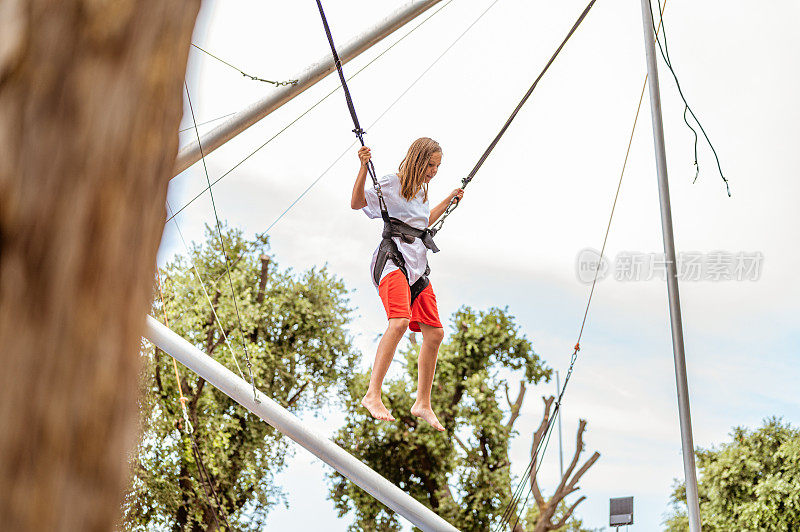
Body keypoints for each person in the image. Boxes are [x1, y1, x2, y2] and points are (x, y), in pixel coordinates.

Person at [350, 137, 464, 431]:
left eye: (437, 167)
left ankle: (422, 403)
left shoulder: (422, 194)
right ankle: (372, 394)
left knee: (435, 333)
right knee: (399, 322)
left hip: (416, 266)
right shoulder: (390, 182)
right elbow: (357, 203)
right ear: (417, 159)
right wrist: (363, 167)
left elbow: (423, 222)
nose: (433, 171)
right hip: (391, 261)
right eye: (430, 164)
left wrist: (449, 199)